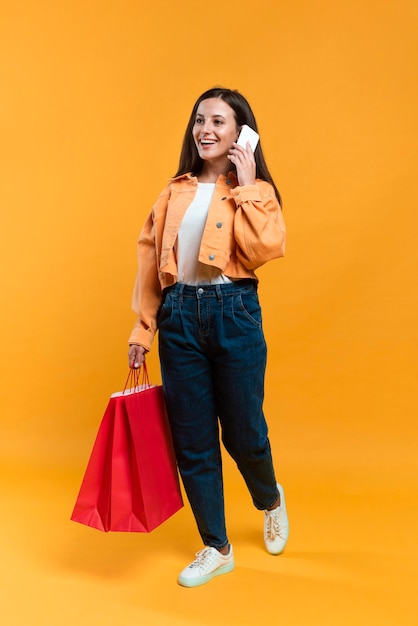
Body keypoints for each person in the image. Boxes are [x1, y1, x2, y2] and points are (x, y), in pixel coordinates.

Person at [127, 87, 289, 588]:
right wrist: (143, 327)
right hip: (180, 320)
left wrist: (246, 184)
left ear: (240, 132)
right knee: (193, 441)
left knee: (244, 434)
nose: (206, 130)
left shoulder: (253, 190)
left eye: (219, 121)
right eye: (200, 120)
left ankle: (270, 498)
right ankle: (216, 547)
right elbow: (151, 263)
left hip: (234, 313)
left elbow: (266, 247)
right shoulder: (173, 191)